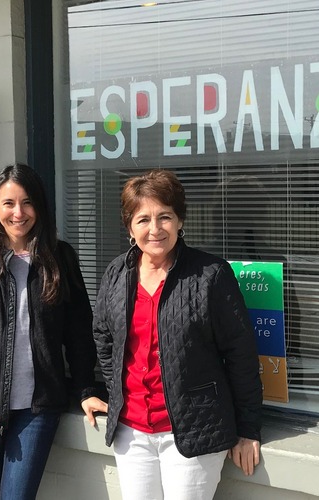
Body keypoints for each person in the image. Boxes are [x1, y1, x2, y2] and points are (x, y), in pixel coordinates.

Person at [0, 163, 107, 500]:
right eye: (8, 203)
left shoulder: (60, 258)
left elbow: (78, 332)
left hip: (38, 405)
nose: (18, 212)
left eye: (27, 202)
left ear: (39, 206)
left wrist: (86, 388)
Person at [92, 169, 263, 500]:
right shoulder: (116, 273)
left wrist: (247, 429)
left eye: (164, 217)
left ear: (180, 221)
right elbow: (104, 339)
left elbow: (240, 354)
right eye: (143, 219)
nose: (154, 229)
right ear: (130, 227)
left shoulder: (210, 276)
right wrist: (116, 396)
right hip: (132, 431)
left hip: (193, 431)